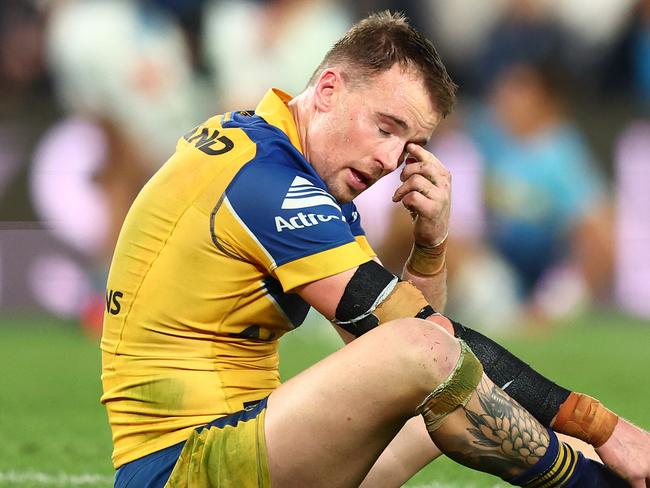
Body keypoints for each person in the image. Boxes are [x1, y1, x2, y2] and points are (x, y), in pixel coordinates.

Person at [101, 11, 650, 488]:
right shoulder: (266, 180)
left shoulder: (289, 166)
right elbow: (417, 342)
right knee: (433, 360)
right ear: (330, 89)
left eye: (410, 146)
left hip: (241, 445)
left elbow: (398, 348)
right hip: (184, 465)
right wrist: (605, 426)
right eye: (385, 128)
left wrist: (429, 245)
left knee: (442, 391)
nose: (392, 162)